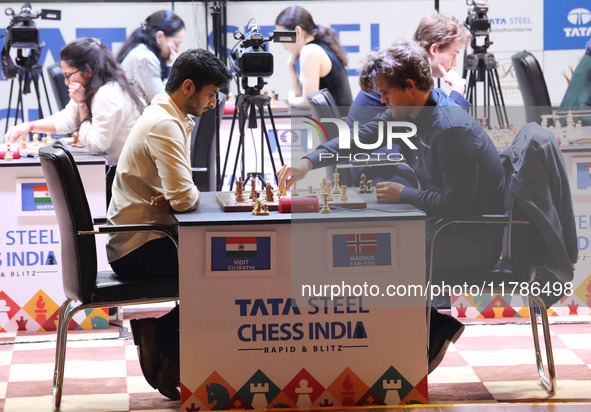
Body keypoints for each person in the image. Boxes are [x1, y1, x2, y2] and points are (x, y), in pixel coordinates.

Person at [277, 39, 506, 373]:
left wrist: (405, 195)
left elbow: (455, 206)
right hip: (444, 228)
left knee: (376, 253)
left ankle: (425, 333)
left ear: (409, 86)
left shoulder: (450, 128)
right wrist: (309, 162)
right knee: (370, 244)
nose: (381, 100)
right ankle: (398, 340)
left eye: (385, 93)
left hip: (470, 238)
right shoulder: (412, 113)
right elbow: (356, 137)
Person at [106, 49, 231, 399]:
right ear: (188, 87)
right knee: (225, 275)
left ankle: (159, 338)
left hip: (146, 239)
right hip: (139, 247)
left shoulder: (167, 114)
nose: (212, 104)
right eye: (210, 94)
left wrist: (178, 196)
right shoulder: (164, 123)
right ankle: (167, 351)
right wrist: (179, 196)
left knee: (224, 270)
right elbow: (186, 198)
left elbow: (180, 196)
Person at [4, 37, 145, 205]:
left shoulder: (107, 95)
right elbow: (67, 119)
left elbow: (97, 144)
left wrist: (82, 107)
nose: (66, 82)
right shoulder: (95, 88)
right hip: (125, 172)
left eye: (68, 75)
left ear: (88, 71)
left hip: (133, 180)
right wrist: (29, 126)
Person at [275, 5, 352, 115]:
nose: (282, 43)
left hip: (339, 127)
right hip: (338, 123)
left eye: (283, 36)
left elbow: (307, 103)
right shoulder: (318, 45)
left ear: (297, 31)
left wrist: (290, 99)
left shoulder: (310, 51)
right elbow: (301, 94)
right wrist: (291, 65)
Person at [117, 10, 185, 104]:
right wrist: (174, 69)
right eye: (176, 44)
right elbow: (162, 103)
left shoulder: (141, 50)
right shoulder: (145, 58)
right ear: (159, 36)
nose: (177, 50)